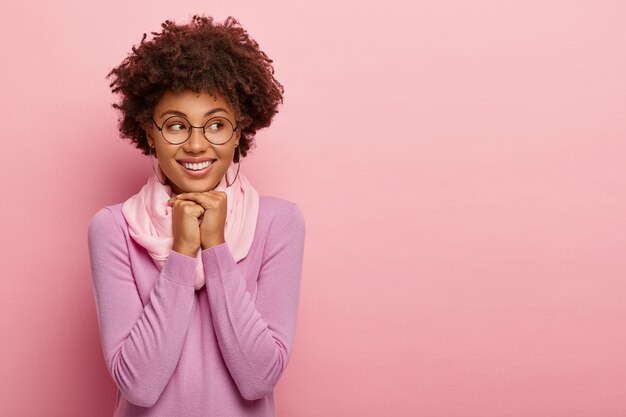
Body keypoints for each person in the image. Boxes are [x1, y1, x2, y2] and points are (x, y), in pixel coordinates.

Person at [87, 15, 305, 417]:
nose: (196, 144)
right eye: (175, 126)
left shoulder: (279, 222)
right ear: (149, 132)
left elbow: (258, 378)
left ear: (240, 131)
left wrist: (216, 248)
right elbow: (139, 385)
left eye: (217, 124)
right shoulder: (113, 227)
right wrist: (183, 255)